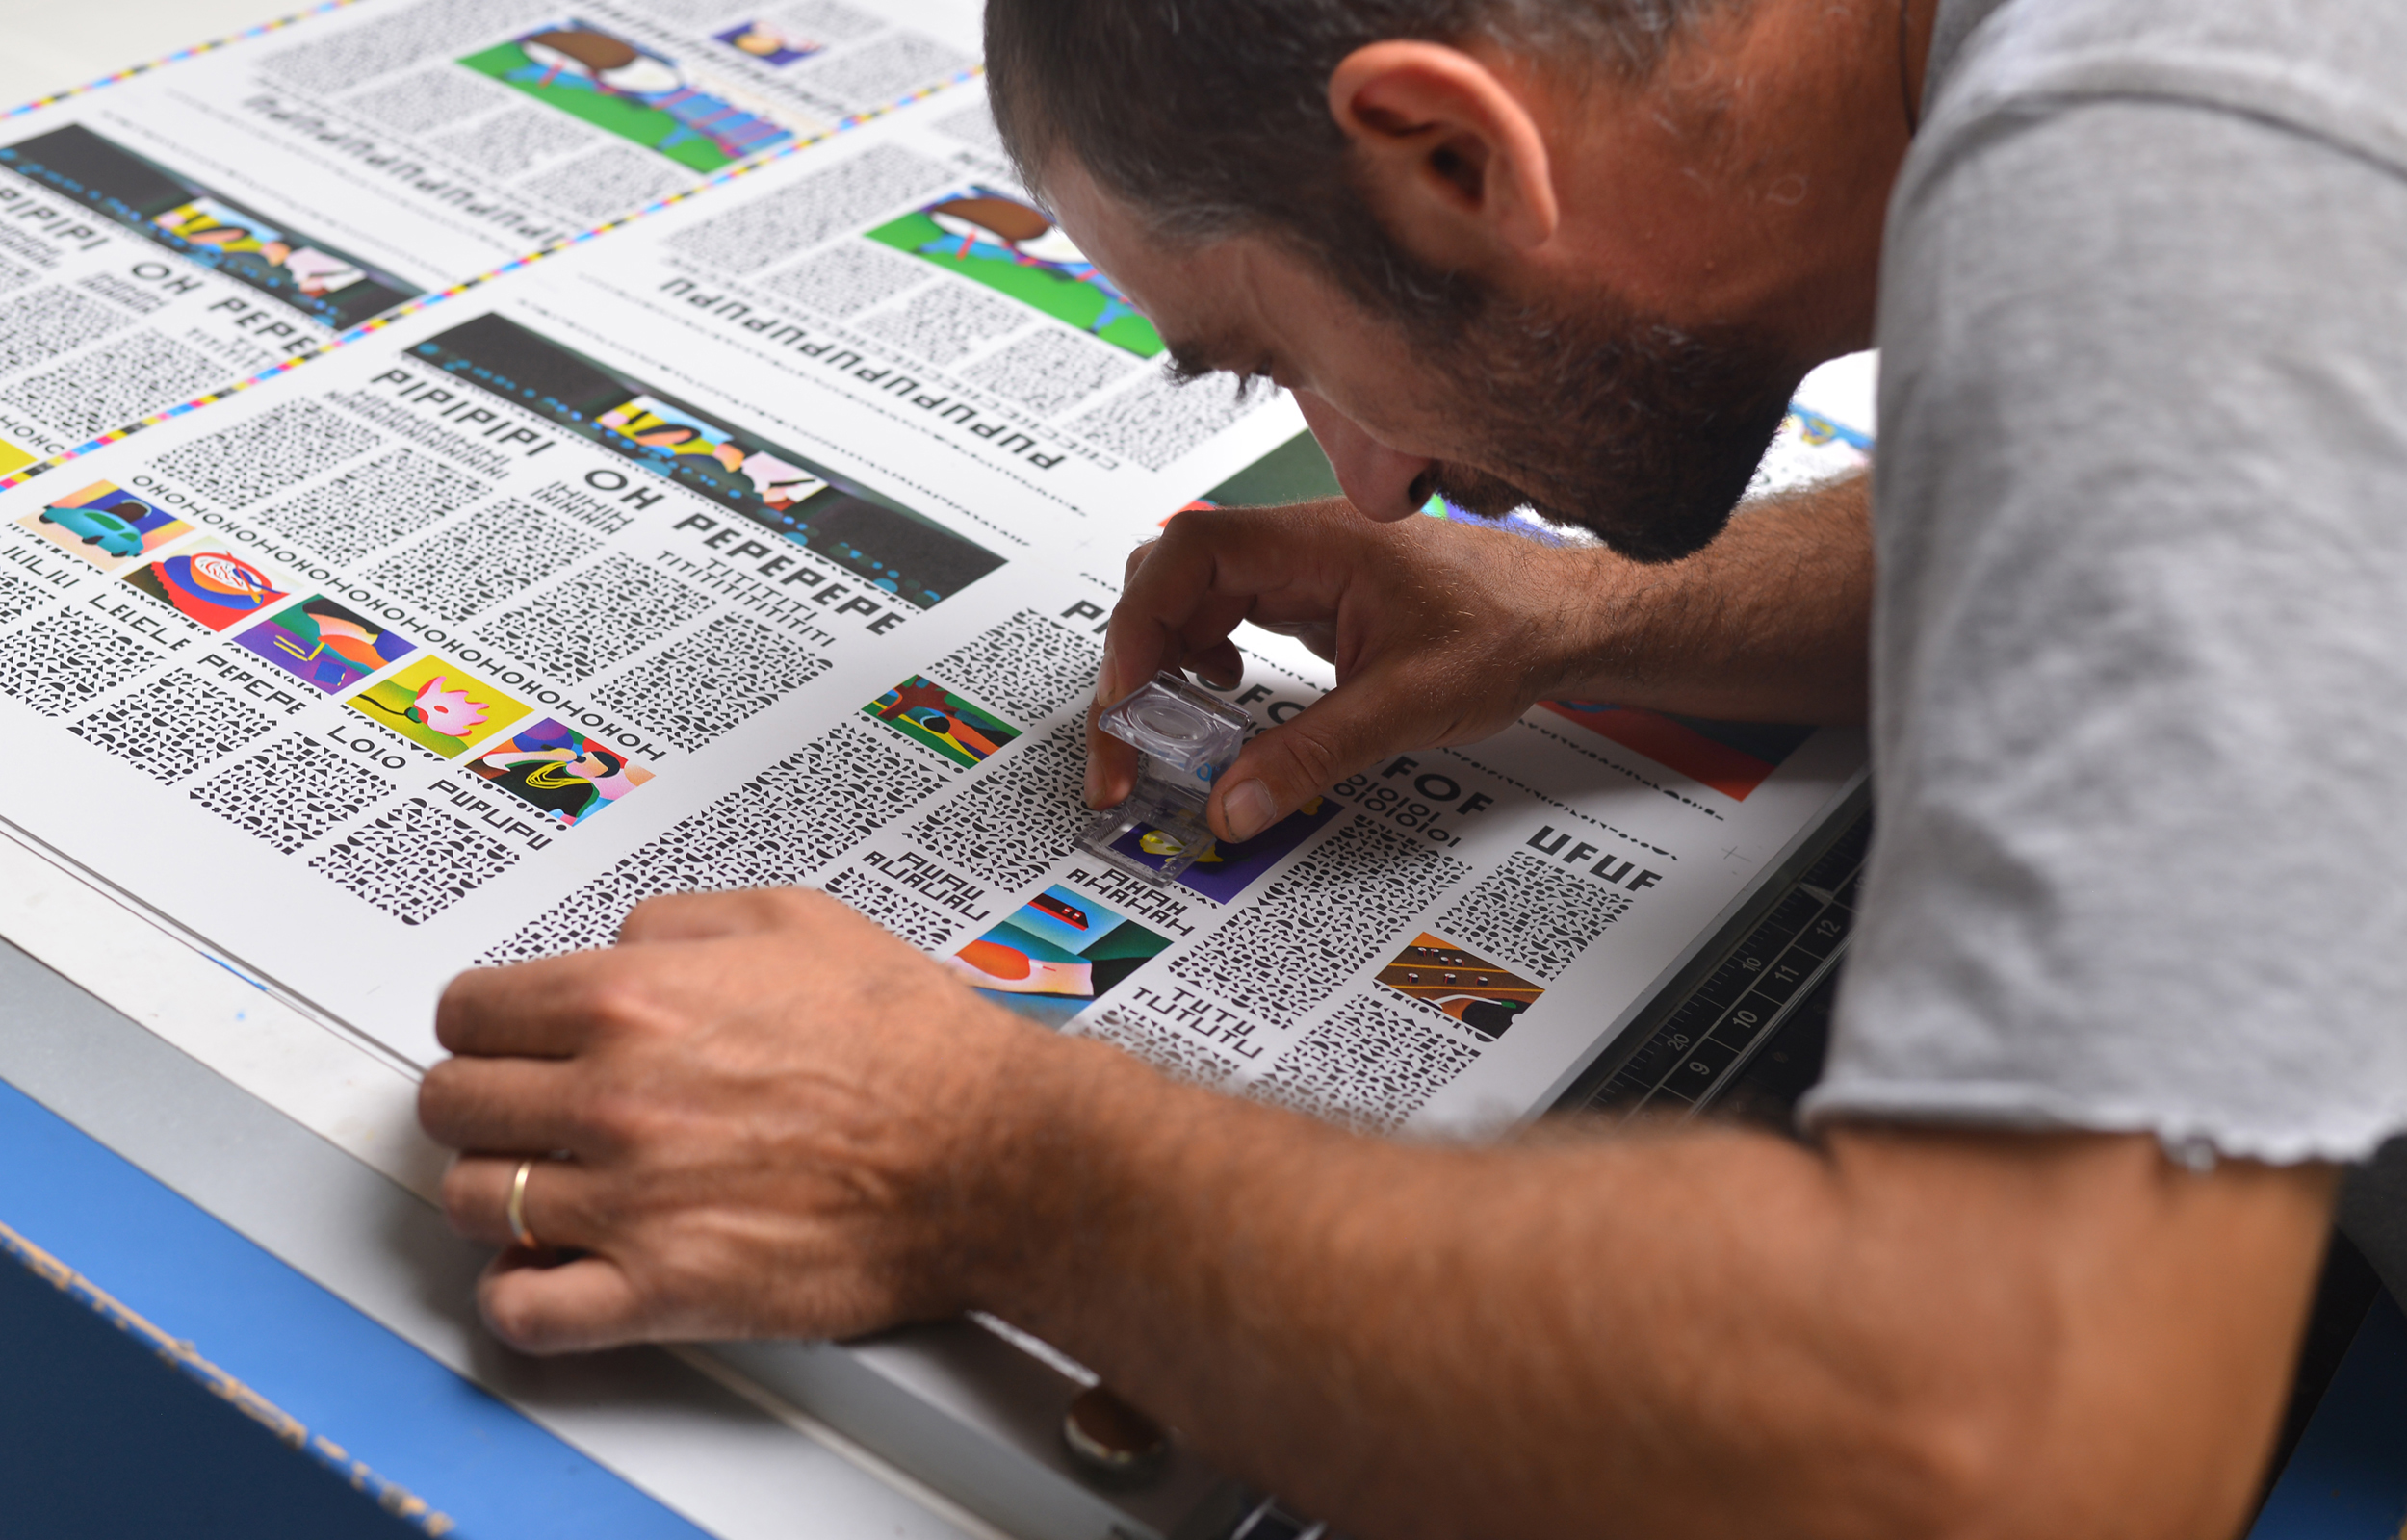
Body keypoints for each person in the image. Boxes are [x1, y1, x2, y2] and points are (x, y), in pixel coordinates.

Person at [416, 0, 2407, 1531]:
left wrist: (968, 1161)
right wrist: (1596, 612)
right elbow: (2190, 517)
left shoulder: (2180, 165)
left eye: (1267, 354)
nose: (1364, 481)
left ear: (1452, 155)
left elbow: (2014, 1438)